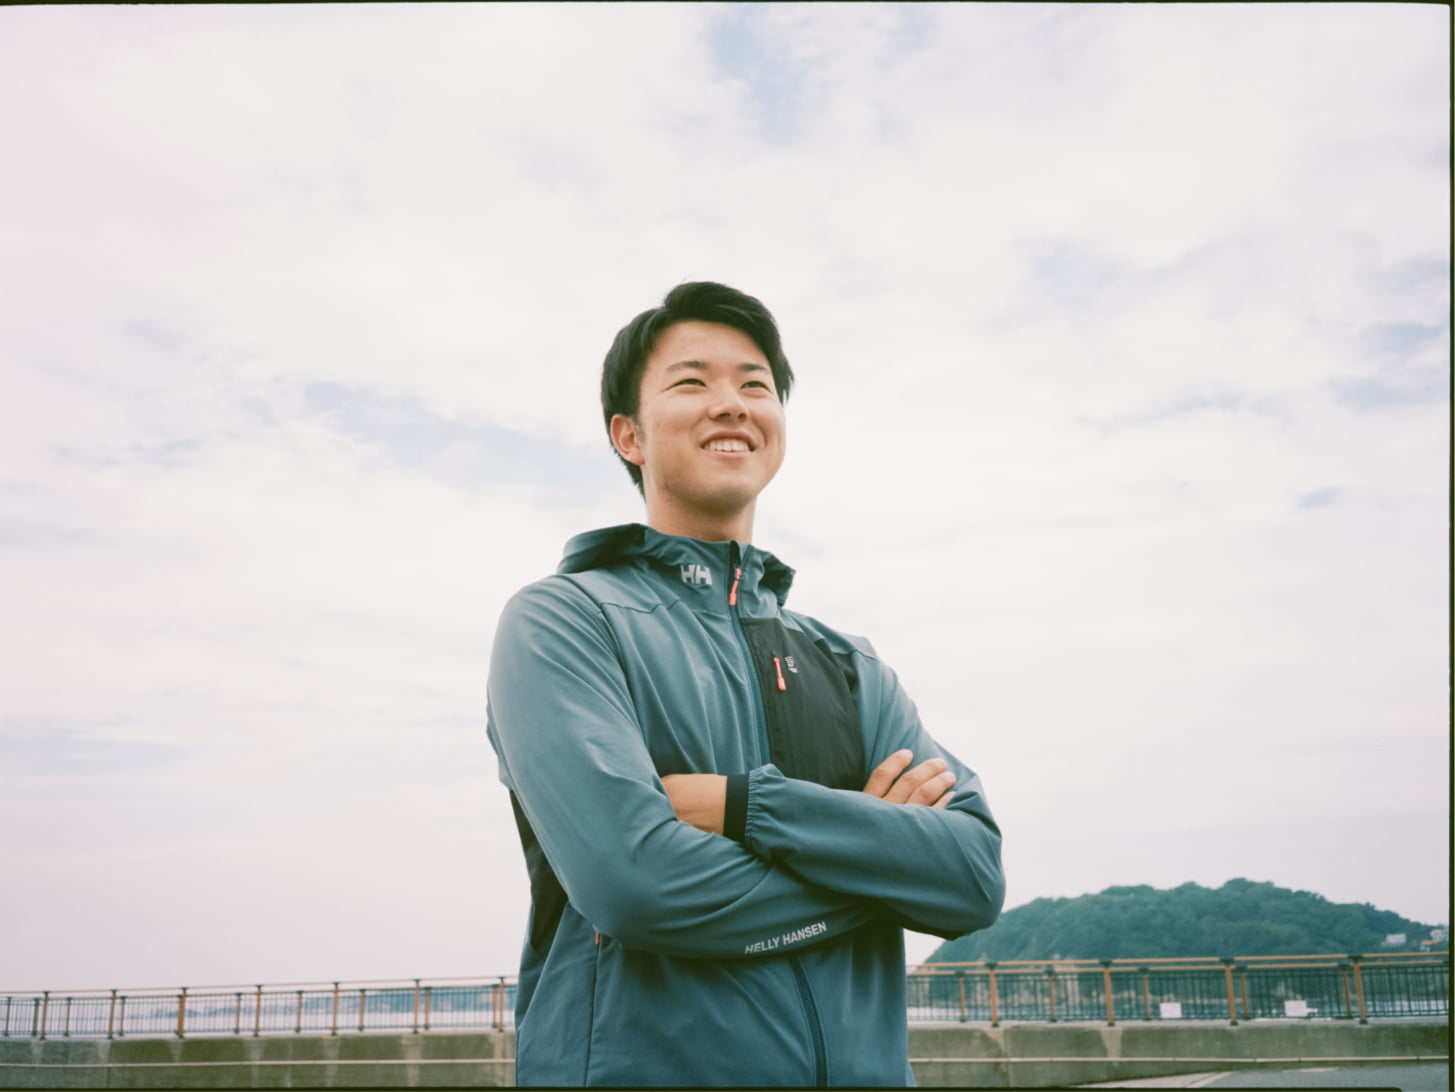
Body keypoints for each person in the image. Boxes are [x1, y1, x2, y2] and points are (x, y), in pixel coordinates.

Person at [486, 281, 1005, 1087]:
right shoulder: (564, 622)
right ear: (628, 435)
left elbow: (971, 877)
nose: (730, 403)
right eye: (691, 381)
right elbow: (639, 887)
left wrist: (741, 807)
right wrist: (879, 864)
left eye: (754, 384)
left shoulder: (847, 662)